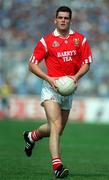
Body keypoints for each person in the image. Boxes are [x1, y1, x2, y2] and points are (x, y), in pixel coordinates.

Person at [23, 6, 92, 178]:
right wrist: (49, 79)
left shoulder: (80, 40)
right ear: (55, 20)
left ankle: (32, 136)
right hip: (50, 88)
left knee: (58, 129)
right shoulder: (46, 41)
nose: (63, 20)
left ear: (70, 20)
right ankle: (57, 166)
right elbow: (32, 64)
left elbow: (87, 63)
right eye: (60, 17)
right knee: (55, 126)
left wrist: (76, 77)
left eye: (66, 18)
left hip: (68, 90)